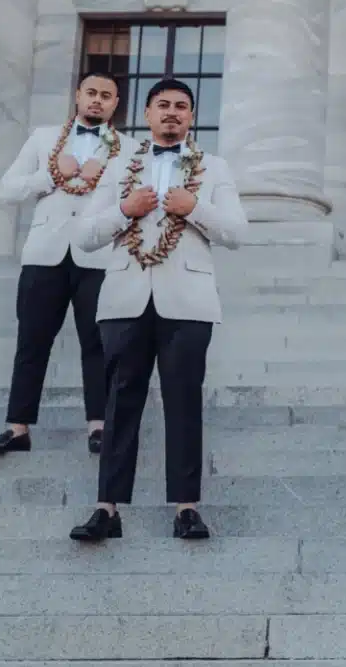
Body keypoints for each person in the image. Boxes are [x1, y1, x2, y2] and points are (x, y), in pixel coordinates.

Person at [68, 78, 247, 542]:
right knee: (119, 403)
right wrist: (125, 210)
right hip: (125, 299)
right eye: (163, 105)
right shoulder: (116, 167)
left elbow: (235, 232)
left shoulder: (215, 167)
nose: (172, 112)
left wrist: (195, 208)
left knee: (184, 402)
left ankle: (186, 507)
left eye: (181, 107)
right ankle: (107, 507)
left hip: (188, 302)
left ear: (191, 117)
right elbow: (84, 236)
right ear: (146, 114)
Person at [0, 72, 134, 456]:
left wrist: (104, 181)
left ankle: (99, 425)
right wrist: (51, 174)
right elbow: (8, 189)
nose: (97, 100)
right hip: (44, 254)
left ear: (116, 104)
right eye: (91, 93)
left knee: (98, 343)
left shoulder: (130, 151)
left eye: (106, 96)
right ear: (78, 95)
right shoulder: (44, 139)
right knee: (32, 340)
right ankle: (17, 428)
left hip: (97, 257)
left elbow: (135, 207)